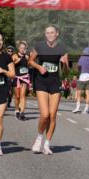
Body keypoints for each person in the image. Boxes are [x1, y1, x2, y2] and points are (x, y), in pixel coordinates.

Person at [29, 25, 69, 155]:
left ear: (57, 33)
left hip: (54, 83)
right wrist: (39, 67)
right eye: (47, 33)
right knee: (45, 114)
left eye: (52, 32)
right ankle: (39, 138)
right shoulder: (39, 46)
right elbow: (30, 61)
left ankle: (47, 144)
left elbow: (66, 71)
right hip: (41, 82)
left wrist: (64, 63)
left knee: (52, 115)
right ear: (45, 34)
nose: (50, 35)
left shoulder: (62, 48)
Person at [73, 46, 89, 114]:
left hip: (82, 77)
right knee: (88, 93)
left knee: (79, 93)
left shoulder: (81, 58)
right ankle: (86, 109)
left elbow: (79, 67)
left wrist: (81, 71)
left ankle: (77, 108)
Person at [12, 39, 30, 120]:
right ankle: (16, 110)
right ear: (19, 48)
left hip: (25, 78)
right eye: (21, 48)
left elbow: (29, 66)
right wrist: (16, 62)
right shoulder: (15, 56)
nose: (23, 49)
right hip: (17, 78)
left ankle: (22, 112)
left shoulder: (27, 57)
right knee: (17, 96)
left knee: (23, 95)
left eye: (24, 48)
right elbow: (10, 65)